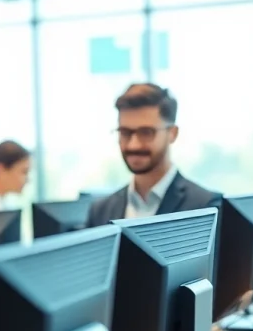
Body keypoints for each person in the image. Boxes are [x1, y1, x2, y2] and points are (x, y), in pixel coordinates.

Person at [87, 83, 222, 227]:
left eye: (146, 132)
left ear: (172, 133)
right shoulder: (100, 211)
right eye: (125, 132)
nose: (133, 145)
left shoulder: (206, 207)